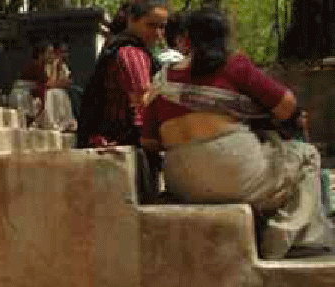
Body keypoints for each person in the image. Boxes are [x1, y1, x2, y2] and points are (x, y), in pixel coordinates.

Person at [142, 7, 334, 259]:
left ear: (186, 40)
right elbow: (288, 107)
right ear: (224, 38)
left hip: (182, 183)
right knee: (305, 155)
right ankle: (285, 238)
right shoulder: (234, 66)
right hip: (235, 172)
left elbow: (149, 141)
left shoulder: (162, 81)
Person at [76, 0, 168, 202]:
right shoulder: (132, 53)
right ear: (132, 20)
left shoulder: (120, 48)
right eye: (151, 25)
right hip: (121, 139)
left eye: (162, 27)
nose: (158, 33)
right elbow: (142, 104)